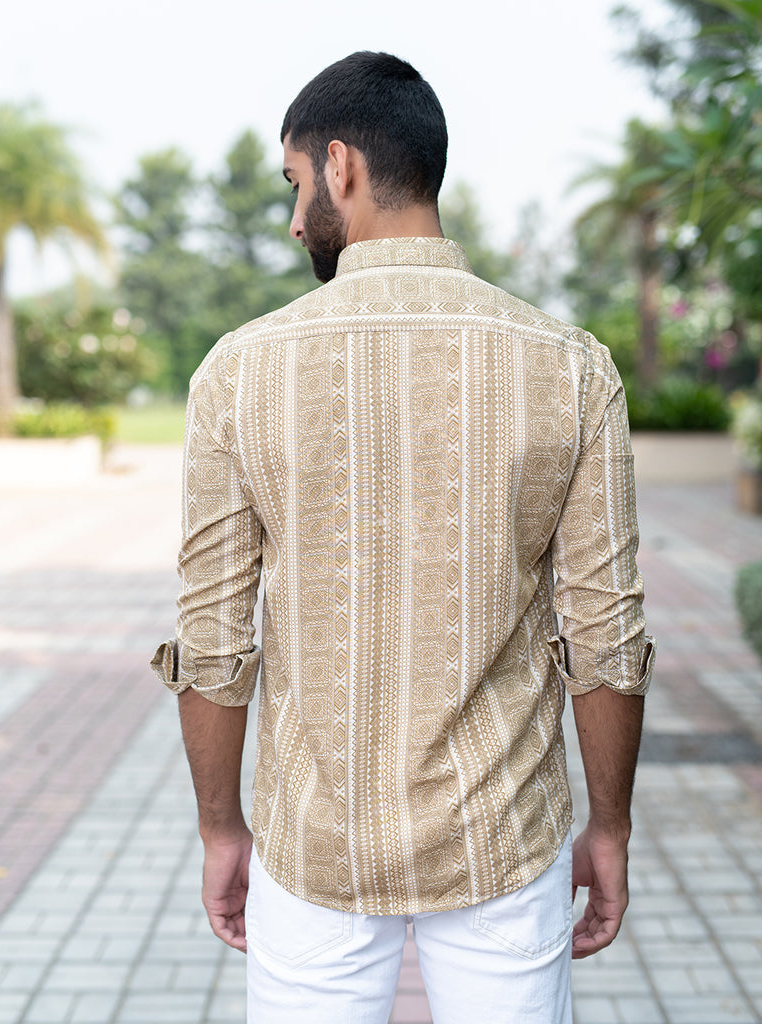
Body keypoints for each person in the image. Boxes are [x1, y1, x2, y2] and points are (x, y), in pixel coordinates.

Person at [152, 51, 655, 1024]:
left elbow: (213, 638)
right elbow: (606, 631)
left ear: (340, 165)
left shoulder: (239, 373)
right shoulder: (570, 367)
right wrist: (611, 824)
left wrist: (221, 828)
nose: (295, 219)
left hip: (315, 846)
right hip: (503, 842)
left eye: (294, 183)